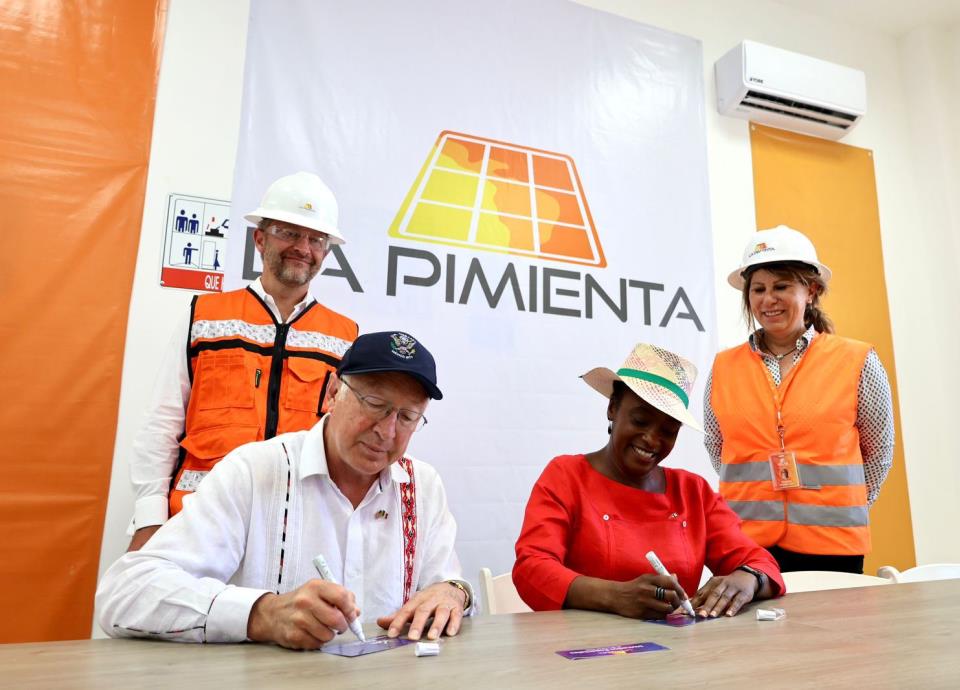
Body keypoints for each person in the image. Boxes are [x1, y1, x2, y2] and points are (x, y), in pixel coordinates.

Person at [98, 331, 473, 649]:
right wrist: (260, 614)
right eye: (374, 404)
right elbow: (125, 594)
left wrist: (454, 591)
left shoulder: (423, 486)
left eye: (407, 417)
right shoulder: (255, 472)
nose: (387, 431)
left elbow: (447, 585)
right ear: (332, 393)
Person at [127, 172, 359, 551]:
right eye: (289, 232)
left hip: (294, 529)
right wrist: (149, 518)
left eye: (316, 239)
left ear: (326, 252)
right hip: (198, 521)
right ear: (260, 239)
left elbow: (345, 443)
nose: (303, 247)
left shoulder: (345, 336)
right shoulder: (204, 314)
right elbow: (163, 422)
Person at [513, 343, 784, 620]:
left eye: (668, 431)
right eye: (640, 421)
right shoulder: (566, 476)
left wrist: (748, 578)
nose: (652, 440)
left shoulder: (692, 491)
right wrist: (614, 597)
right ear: (613, 408)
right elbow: (532, 568)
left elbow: (760, 562)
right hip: (584, 644)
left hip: (676, 644)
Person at [705, 225, 895, 574]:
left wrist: (845, 505)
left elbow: (878, 451)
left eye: (781, 287)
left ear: (812, 291)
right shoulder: (723, 366)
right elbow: (717, 446)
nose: (768, 299)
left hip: (834, 545)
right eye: (758, 289)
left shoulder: (858, 360)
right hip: (747, 544)